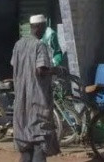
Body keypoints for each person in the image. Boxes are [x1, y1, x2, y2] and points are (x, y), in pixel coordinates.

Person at [10, 14, 66, 162]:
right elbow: (41, 70)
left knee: (26, 146)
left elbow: (14, 65)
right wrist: (56, 70)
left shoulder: (18, 45)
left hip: (21, 103)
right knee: (40, 142)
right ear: (40, 27)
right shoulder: (39, 45)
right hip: (37, 101)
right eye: (44, 27)